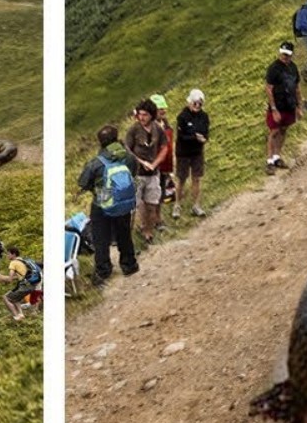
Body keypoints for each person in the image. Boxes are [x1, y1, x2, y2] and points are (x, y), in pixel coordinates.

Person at [77, 124, 139, 287]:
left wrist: (97, 189)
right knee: (124, 233)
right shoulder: (127, 157)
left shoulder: (96, 162)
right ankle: (129, 264)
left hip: (102, 201)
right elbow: (133, 171)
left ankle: (103, 271)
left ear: (100, 142)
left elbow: (83, 182)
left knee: (101, 238)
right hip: (123, 201)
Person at [126, 98, 168, 243]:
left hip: (153, 173)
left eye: (145, 114)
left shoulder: (158, 128)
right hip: (137, 174)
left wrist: (156, 163)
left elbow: (164, 147)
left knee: (152, 203)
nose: (142, 117)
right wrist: (141, 162)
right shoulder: (133, 130)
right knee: (139, 204)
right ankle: (144, 230)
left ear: (151, 115)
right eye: (140, 114)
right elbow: (127, 150)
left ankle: (149, 228)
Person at [266, 42, 302, 175]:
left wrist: (299, 106)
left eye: (287, 54)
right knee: (274, 131)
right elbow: (269, 89)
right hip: (278, 105)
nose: (284, 56)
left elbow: (297, 87)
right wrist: (274, 108)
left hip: (289, 105)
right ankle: (269, 161)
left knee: (284, 129)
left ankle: (277, 156)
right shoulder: (273, 68)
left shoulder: (293, 67)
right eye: (283, 53)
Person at [174, 89, 211, 218]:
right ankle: (177, 205)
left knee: (196, 178)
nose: (197, 106)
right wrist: (195, 137)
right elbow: (182, 136)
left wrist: (203, 139)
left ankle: (196, 205)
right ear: (190, 102)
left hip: (197, 152)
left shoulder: (204, 117)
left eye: (200, 104)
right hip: (183, 152)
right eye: (195, 103)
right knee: (181, 179)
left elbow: (206, 133)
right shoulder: (182, 116)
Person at [0, 245, 41, 320]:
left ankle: (16, 316)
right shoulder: (24, 260)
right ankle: (20, 314)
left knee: (6, 298)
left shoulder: (13, 262)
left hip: (25, 285)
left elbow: (10, 279)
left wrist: (1, 278)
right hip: (32, 284)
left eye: (8, 254)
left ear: (13, 254)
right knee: (15, 298)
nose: (7, 256)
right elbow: (20, 276)